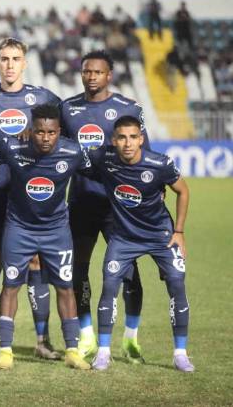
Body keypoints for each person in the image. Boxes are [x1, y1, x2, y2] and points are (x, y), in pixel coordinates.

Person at [0, 37, 61, 359]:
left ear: (24, 63)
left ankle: (42, 341)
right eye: (4, 59)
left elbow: (66, 122)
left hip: (28, 194)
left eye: (15, 59)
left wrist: (37, 138)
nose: (9, 64)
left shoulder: (42, 96)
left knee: (35, 262)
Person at [0, 104, 90, 370]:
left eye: (51, 132)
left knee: (65, 287)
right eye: (39, 132)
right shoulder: (12, 147)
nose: (45, 138)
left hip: (56, 231)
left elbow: (102, 172)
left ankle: (72, 351)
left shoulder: (73, 152)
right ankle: (6, 351)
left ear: (59, 131)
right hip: (19, 229)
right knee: (11, 285)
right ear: (31, 129)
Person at [59, 50, 150, 362]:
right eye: (87, 71)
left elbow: (143, 155)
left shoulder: (127, 108)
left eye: (98, 72)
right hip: (81, 201)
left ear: (109, 75)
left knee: (129, 271)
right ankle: (86, 335)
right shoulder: (67, 108)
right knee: (79, 268)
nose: (91, 77)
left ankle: (131, 339)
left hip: (118, 205)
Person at [88, 116, 193, 372]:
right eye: (122, 138)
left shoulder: (160, 164)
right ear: (114, 140)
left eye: (133, 137)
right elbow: (66, 153)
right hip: (124, 237)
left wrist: (179, 231)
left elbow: (183, 191)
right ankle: (103, 352)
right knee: (109, 285)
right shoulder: (104, 157)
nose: (128, 143)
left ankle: (180, 354)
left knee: (177, 284)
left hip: (160, 235)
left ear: (141, 139)